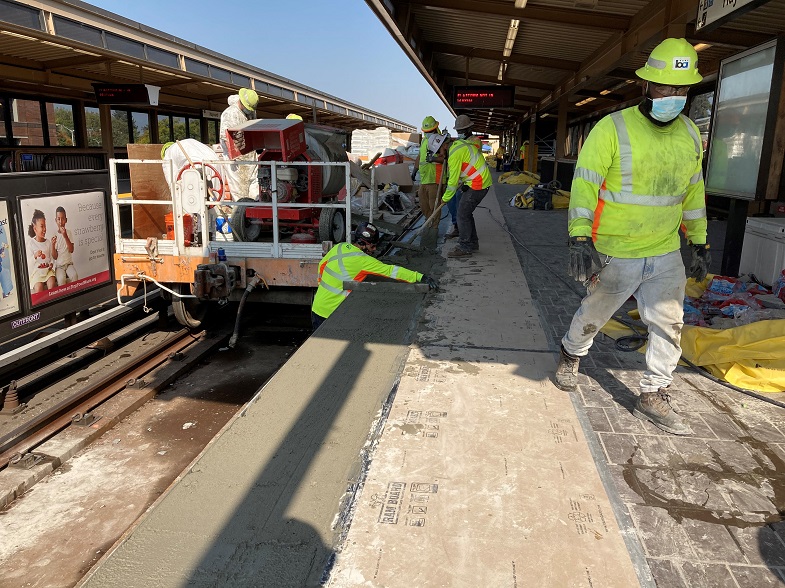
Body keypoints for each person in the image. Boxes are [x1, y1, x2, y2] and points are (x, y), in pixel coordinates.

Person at [554, 38, 710, 436]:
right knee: (595, 314)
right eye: (664, 87)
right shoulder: (613, 128)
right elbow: (585, 186)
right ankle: (571, 354)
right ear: (646, 85)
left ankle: (653, 393)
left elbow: (693, 192)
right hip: (615, 249)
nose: (672, 96)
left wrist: (699, 239)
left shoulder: (691, 134)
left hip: (665, 251)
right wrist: (578, 237)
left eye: (680, 89)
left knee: (669, 324)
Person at [311, 222, 438, 330]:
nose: (374, 249)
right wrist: (420, 277)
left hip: (317, 306)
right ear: (362, 242)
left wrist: (321, 283)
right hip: (333, 313)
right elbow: (391, 271)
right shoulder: (363, 261)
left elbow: (321, 265)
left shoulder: (339, 247)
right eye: (372, 245)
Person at [434, 115, 492, 258]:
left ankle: (465, 247)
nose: (439, 155)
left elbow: (452, 182)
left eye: (439, 152)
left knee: (462, 214)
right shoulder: (459, 146)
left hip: (479, 183)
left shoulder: (455, 152)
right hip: (477, 181)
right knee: (465, 213)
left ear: (444, 146)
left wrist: (445, 198)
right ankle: (472, 243)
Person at [219, 88, 259, 201]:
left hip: (250, 156)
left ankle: (255, 213)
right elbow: (226, 137)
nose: (250, 111)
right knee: (240, 192)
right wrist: (233, 156)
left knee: (254, 189)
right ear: (241, 102)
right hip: (236, 160)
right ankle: (243, 215)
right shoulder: (229, 114)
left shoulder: (251, 111)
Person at [411, 116, 445, 227]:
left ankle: (434, 227)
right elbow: (420, 156)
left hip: (435, 178)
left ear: (435, 128)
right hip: (424, 178)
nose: (428, 133)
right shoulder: (425, 140)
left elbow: (445, 158)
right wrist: (414, 171)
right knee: (423, 204)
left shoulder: (440, 140)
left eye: (429, 131)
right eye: (426, 132)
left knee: (434, 205)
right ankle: (429, 221)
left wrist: (434, 159)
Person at [27, 209, 57, 293]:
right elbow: (29, 263)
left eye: (45, 226)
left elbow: (51, 258)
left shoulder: (48, 242)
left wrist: (51, 264)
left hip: (47, 271)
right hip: (37, 273)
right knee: (38, 287)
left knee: (51, 283)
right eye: (41, 226)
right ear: (35, 228)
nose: (44, 229)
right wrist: (35, 256)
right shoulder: (31, 243)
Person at [52, 206, 77, 286]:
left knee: (74, 276)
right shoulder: (55, 235)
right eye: (58, 219)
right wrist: (52, 245)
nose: (60, 221)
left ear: (66, 220)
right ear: (56, 220)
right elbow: (55, 257)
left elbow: (71, 250)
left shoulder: (69, 233)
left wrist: (65, 236)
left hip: (69, 264)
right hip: (59, 266)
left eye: (62, 219)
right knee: (61, 280)